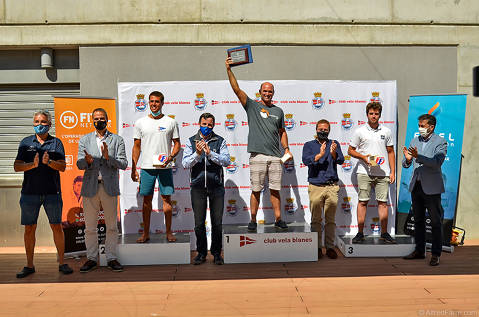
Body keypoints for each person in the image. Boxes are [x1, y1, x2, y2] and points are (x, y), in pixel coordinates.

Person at [225, 57, 292, 231]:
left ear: (273, 93)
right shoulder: (252, 106)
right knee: (256, 189)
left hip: (276, 156)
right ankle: (253, 220)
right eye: (265, 91)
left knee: (276, 190)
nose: (267, 93)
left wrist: (286, 149)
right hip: (258, 155)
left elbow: (282, 132)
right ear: (260, 92)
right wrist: (229, 70)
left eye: (270, 91)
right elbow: (236, 89)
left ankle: (278, 219)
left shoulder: (278, 111)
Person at [14, 109, 73, 278]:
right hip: (29, 193)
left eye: (43, 122)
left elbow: (62, 166)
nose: (40, 125)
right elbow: (16, 166)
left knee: (56, 226)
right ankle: (29, 265)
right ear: (33, 124)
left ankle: (62, 263)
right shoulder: (26, 142)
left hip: (52, 193)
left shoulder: (56, 143)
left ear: (50, 124)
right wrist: (31, 165)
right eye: (37, 122)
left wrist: (50, 162)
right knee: (29, 228)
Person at [77, 108, 128, 272]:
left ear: (107, 120)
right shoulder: (85, 139)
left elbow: (123, 164)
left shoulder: (117, 140)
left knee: (111, 226)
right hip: (90, 187)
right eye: (96, 118)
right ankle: (91, 258)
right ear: (92, 120)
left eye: (102, 118)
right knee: (90, 227)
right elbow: (79, 164)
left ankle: (111, 257)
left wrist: (108, 158)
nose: (99, 121)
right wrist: (88, 161)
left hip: (109, 188)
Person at [131, 91, 181, 243]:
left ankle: (169, 233)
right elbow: (136, 146)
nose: (154, 104)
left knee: (166, 199)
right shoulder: (140, 122)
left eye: (157, 101)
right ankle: (145, 233)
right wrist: (133, 168)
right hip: (146, 168)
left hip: (164, 168)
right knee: (147, 200)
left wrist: (171, 157)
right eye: (151, 101)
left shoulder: (170, 122)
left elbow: (177, 144)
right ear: (148, 102)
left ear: (162, 103)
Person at [182, 113, 230, 265]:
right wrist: (197, 153)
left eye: (210, 125)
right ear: (199, 124)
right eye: (204, 124)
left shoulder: (219, 140)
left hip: (216, 187)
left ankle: (216, 253)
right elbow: (185, 163)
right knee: (198, 223)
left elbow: (226, 160)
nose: (207, 127)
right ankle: (201, 253)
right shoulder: (191, 141)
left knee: (217, 223)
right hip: (197, 187)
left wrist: (210, 153)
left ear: (213, 125)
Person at [348, 102, 396, 244]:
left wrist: (392, 171)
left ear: (380, 115)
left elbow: (390, 152)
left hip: (383, 173)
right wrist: (363, 157)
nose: (373, 116)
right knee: (363, 202)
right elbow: (350, 150)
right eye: (371, 113)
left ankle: (385, 233)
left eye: (376, 114)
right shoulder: (359, 131)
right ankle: (360, 233)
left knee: (383, 203)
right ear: (367, 114)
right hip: (364, 172)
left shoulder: (386, 131)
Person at [402, 114, 447, 266]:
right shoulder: (415, 140)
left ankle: (435, 254)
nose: (420, 128)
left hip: (432, 188)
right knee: (419, 220)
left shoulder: (440, 142)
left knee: (435, 222)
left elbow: (436, 163)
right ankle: (420, 250)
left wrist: (417, 156)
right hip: (417, 186)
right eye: (419, 125)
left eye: (423, 125)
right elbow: (407, 161)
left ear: (431, 127)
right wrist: (407, 159)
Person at [302, 119, 344, 259]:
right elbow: (305, 160)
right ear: (316, 129)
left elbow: (341, 160)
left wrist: (333, 154)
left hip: (331, 187)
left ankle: (330, 247)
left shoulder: (334, 144)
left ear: (329, 130)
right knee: (316, 220)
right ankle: (317, 248)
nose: (323, 131)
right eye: (320, 129)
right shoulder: (308, 145)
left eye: (325, 129)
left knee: (330, 220)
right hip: (315, 186)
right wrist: (319, 155)